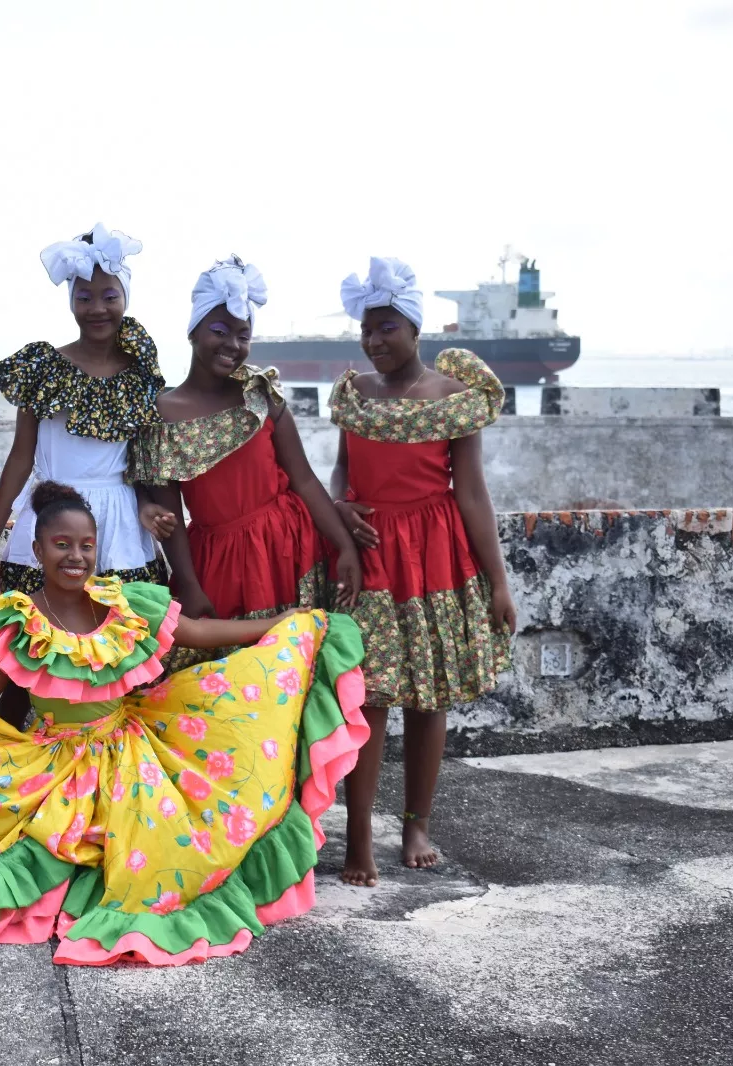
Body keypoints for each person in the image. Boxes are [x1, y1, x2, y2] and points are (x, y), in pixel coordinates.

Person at [0, 481, 369, 966]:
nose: (76, 557)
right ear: (36, 550)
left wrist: (280, 624)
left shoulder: (125, 603)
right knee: (25, 847)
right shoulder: (17, 619)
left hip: (135, 749)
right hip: (56, 758)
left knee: (176, 833)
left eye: (86, 545)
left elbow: (198, 633)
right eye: (62, 545)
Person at [328, 257, 517, 887]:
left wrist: (497, 580)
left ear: (413, 327)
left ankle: (415, 824)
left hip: (436, 553)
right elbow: (341, 470)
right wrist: (340, 508)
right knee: (371, 698)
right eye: (367, 330)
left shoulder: (452, 399)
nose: (374, 341)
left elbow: (472, 494)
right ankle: (359, 839)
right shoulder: (354, 392)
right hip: (374, 550)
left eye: (386, 328)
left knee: (428, 697)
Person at [131, 256, 364, 659]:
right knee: (234, 681)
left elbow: (305, 480)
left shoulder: (260, 396)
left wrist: (344, 545)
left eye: (243, 335)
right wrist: (187, 582)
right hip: (219, 566)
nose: (232, 345)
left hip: (291, 550)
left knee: (297, 671)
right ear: (193, 332)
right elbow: (171, 521)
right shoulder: (161, 415)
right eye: (219, 331)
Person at [0, 224, 170, 603]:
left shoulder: (141, 370)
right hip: (51, 518)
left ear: (125, 297)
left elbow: (140, 458)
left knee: (119, 645)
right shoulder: (44, 367)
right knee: (44, 645)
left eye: (109, 296)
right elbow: (20, 457)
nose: (97, 308)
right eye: (84, 297)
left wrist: (146, 504)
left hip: (122, 529)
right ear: (71, 301)